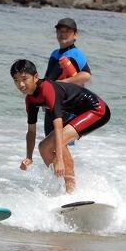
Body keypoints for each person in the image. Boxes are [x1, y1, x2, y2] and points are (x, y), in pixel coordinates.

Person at [10, 59, 110, 193]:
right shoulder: (30, 99)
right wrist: (29, 157)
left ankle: (71, 189)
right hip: (81, 113)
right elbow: (31, 131)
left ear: (35, 77)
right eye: (16, 80)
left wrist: (60, 160)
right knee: (44, 147)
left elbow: (57, 125)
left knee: (57, 142)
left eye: (24, 79)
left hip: (97, 109)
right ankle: (63, 187)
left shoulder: (47, 88)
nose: (21, 84)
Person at [43, 17, 92, 187]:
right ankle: (62, 186)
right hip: (53, 106)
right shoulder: (55, 54)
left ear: (75, 35)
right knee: (51, 146)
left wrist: (61, 84)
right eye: (60, 31)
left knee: (60, 145)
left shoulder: (76, 54)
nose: (62, 34)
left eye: (67, 31)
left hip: (67, 107)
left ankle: (71, 188)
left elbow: (86, 76)